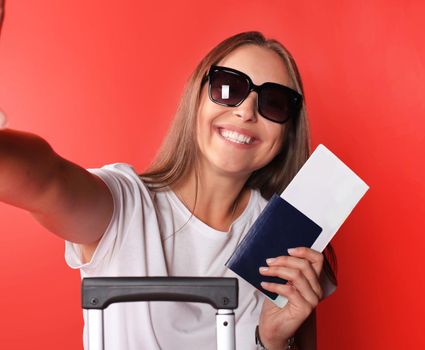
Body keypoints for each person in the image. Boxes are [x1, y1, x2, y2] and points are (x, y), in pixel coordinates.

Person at [0, 31, 336, 349]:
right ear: (197, 97)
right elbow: (45, 179)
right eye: (228, 86)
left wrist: (274, 342)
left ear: (288, 129)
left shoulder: (287, 238)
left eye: (274, 102)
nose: (245, 111)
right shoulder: (126, 205)